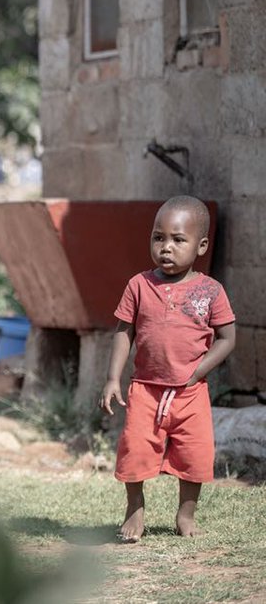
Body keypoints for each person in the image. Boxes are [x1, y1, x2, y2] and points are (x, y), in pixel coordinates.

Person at [100, 196, 235, 542]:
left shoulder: (211, 291)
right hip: (145, 389)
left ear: (201, 245)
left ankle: (185, 514)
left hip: (191, 392)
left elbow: (227, 338)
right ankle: (135, 508)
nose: (166, 248)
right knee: (135, 449)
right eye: (159, 238)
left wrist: (198, 369)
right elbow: (123, 332)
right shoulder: (139, 286)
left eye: (178, 239)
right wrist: (113, 378)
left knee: (195, 453)